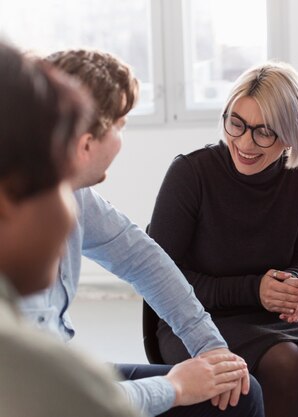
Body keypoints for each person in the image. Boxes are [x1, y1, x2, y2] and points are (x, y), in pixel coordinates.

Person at [18, 49, 263, 417]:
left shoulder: (76, 197)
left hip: (58, 378)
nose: (122, 138)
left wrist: (211, 349)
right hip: (43, 398)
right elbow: (51, 401)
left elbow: (142, 258)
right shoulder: (19, 230)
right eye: (120, 126)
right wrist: (174, 387)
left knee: (238, 391)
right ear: (86, 143)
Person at [148, 61, 298, 417]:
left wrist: (293, 285)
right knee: (283, 360)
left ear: (292, 132)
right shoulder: (190, 173)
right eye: (237, 124)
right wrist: (254, 290)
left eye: (264, 132)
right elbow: (162, 281)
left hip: (270, 312)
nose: (244, 142)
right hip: (195, 316)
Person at [0, 41, 143, 417]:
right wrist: (176, 388)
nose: (70, 217)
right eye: (60, 186)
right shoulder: (33, 370)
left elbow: (140, 255)